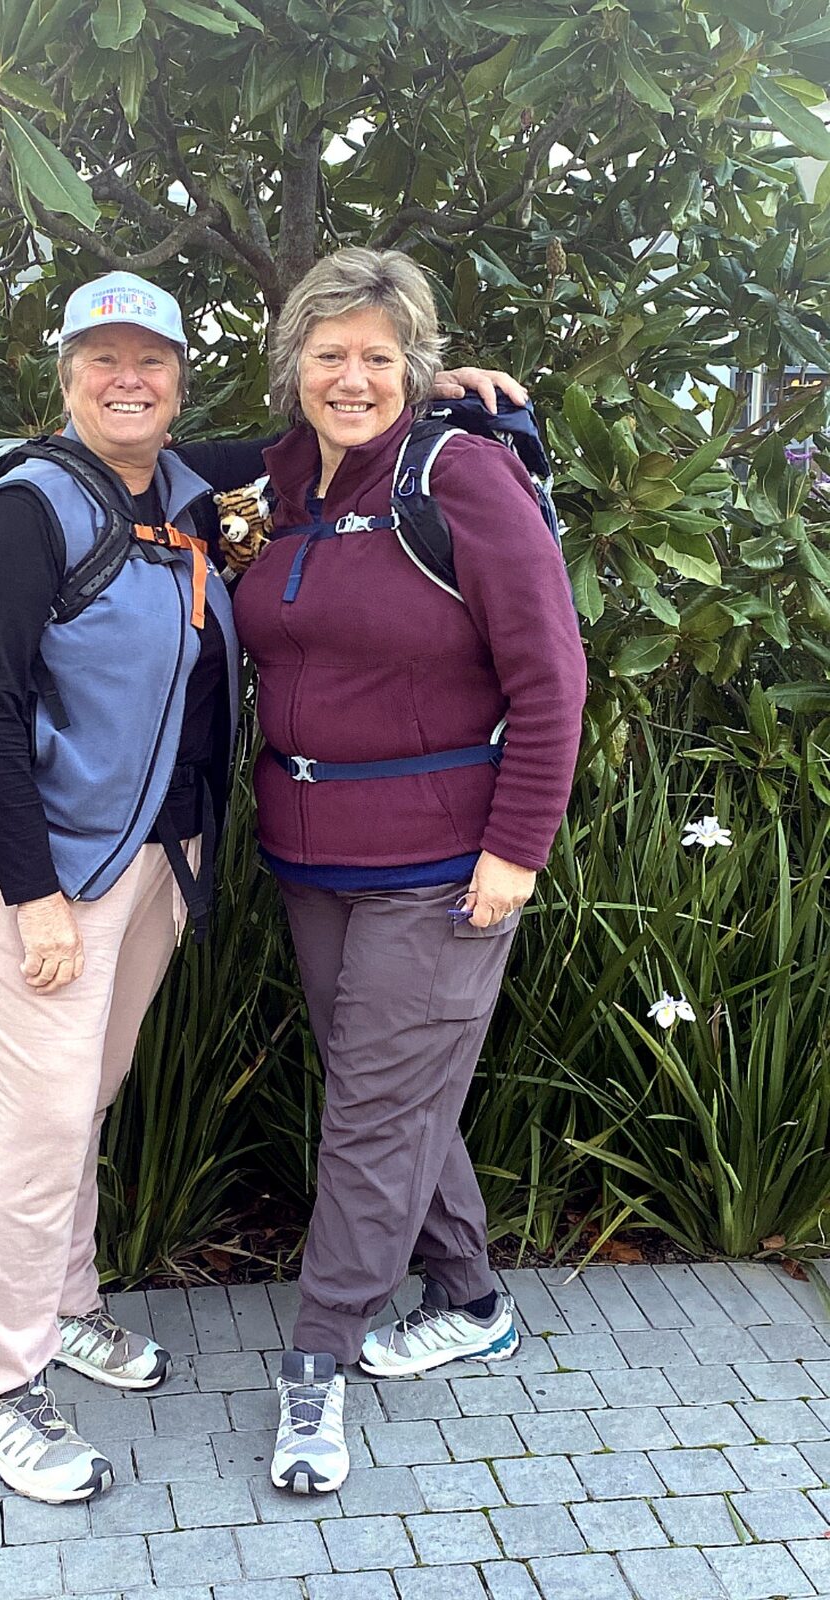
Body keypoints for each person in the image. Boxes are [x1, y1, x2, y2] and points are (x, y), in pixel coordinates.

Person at [0, 266, 518, 1504]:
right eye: (103, 360)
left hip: (140, 861)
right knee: (34, 1124)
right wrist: (32, 894)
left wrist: (436, 387)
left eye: (151, 361)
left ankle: (69, 1304)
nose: (127, 379)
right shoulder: (29, 507)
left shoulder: (192, 486)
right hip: (32, 868)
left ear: (181, 381)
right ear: (67, 374)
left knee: (85, 1093)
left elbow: (325, 426)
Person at [229, 247, 588, 1494]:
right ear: (296, 365)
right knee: (389, 1087)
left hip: (445, 864)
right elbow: (155, 464)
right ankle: (472, 1294)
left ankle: (316, 1366)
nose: (352, 376)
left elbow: (553, 680)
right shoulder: (278, 478)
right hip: (308, 853)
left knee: (374, 1111)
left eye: (380, 355)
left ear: (415, 366)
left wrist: (516, 853)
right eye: (330, 353)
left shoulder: (464, 476)